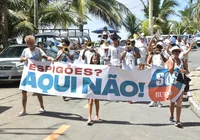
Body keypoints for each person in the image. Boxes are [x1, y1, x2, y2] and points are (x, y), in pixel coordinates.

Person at [19, 35, 54, 117]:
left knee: (37, 91)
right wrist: (24, 59)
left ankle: (42, 107)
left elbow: (45, 56)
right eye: (29, 43)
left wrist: (50, 58)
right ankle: (23, 110)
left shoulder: (38, 50)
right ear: (27, 43)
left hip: (37, 73)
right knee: (24, 91)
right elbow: (20, 59)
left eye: (32, 43)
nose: (31, 44)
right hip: (27, 73)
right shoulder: (25, 50)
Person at [167, 45, 188, 128]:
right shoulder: (170, 60)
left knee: (179, 101)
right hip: (173, 83)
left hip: (181, 83)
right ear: (172, 52)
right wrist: (174, 62)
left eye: (178, 51)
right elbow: (171, 71)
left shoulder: (182, 60)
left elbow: (187, 71)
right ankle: (172, 116)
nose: (176, 53)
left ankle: (178, 120)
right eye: (175, 51)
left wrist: (183, 70)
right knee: (172, 101)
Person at [147, 42, 167, 107]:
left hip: (161, 72)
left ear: (161, 49)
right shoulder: (153, 54)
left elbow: (165, 60)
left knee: (160, 87)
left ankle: (159, 102)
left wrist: (161, 54)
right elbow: (149, 62)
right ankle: (153, 101)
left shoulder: (163, 54)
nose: (156, 49)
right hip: (153, 72)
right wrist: (151, 55)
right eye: (156, 48)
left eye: (158, 48)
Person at [87, 54, 101, 125]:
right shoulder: (88, 67)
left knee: (96, 101)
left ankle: (97, 115)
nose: (95, 60)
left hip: (98, 84)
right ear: (91, 60)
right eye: (94, 59)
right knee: (90, 101)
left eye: (96, 59)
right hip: (90, 85)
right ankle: (89, 117)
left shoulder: (101, 67)